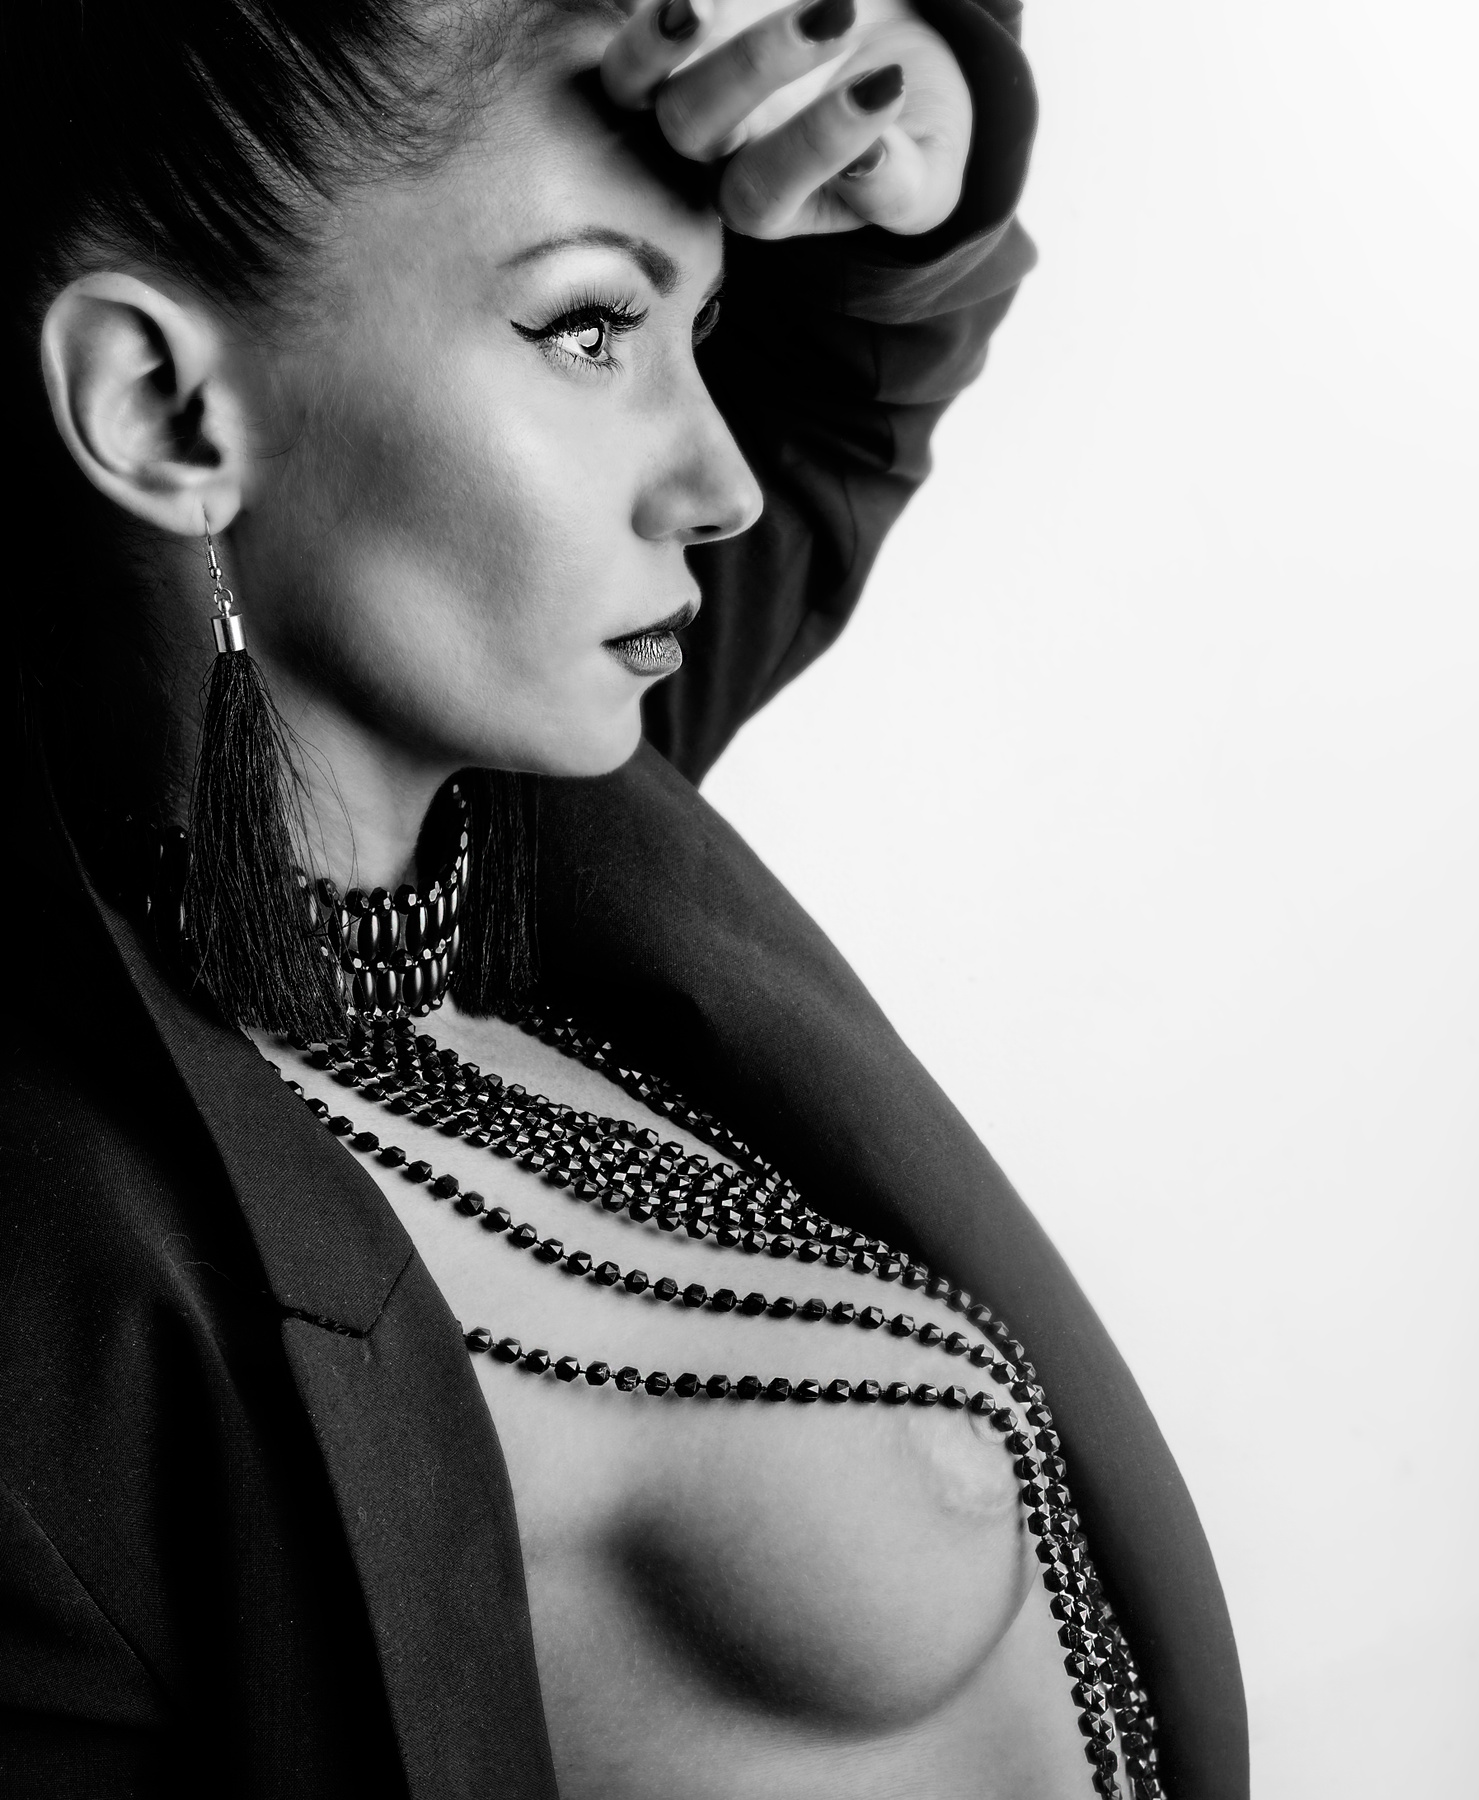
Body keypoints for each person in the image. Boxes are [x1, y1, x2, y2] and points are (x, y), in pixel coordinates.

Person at [0, 2, 1246, 1797]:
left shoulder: (553, 850)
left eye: (704, 331)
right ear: (159, 404)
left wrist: (910, 94)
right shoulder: (62, 1308)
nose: (719, 484)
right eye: (589, 329)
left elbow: (852, 379)